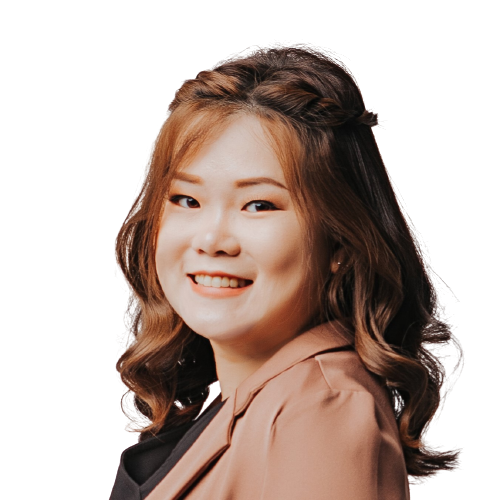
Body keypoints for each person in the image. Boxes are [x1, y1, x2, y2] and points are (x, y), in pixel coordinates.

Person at [110, 44, 463, 499]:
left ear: (339, 241)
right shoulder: (259, 400)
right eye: (186, 199)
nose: (212, 239)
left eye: (259, 204)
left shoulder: (325, 412)